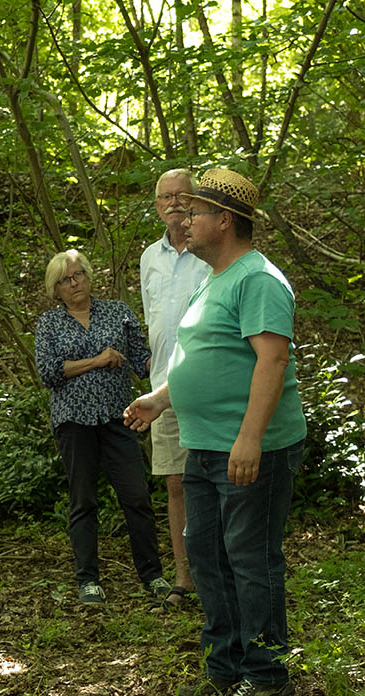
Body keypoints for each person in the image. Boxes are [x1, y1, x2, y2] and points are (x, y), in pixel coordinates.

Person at [125, 168, 306, 696]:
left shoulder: (258, 280)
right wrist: (161, 398)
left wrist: (249, 439)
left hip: (251, 448)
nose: (183, 220)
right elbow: (201, 356)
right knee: (206, 554)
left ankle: (268, 671)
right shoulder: (215, 276)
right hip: (203, 444)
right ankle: (225, 665)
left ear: (223, 221)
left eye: (195, 212)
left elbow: (272, 361)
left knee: (250, 557)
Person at [35, 250, 170, 606]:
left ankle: (152, 574)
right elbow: (49, 372)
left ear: (90, 277)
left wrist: (172, 363)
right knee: (83, 500)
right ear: (55, 289)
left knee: (137, 496)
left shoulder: (118, 312)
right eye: (66, 279)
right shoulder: (49, 324)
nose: (75, 282)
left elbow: (142, 360)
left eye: (79, 274)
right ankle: (88, 580)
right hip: (73, 422)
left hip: (117, 417)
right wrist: (98, 360)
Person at [140, 168, 210, 610]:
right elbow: (153, 321)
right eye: (165, 197)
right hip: (162, 389)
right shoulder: (150, 257)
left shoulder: (212, 253)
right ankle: (184, 577)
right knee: (176, 483)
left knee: (215, 481)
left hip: (210, 387)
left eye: (182, 195)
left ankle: (215, 572)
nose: (174, 203)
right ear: (158, 205)